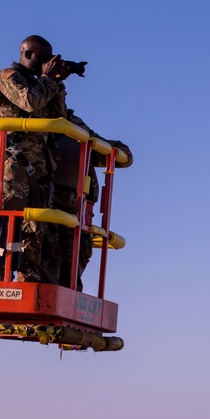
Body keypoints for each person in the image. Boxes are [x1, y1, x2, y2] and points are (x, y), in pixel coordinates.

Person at [0, 35, 69, 282]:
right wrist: (46, 79)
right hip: (14, 167)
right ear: (27, 54)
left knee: (34, 232)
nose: (47, 64)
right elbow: (30, 102)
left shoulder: (41, 84)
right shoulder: (7, 76)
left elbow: (59, 118)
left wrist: (57, 85)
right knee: (2, 227)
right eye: (44, 59)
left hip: (39, 170)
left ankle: (27, 283)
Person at [50, 105, 132, 291]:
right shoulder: (34, 122)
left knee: (76, 254)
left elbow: (115, 153)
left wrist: (119, 151)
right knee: (47, 255)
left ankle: (63, 301)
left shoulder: (72, 125)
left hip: (78, 208)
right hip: (46, 204)